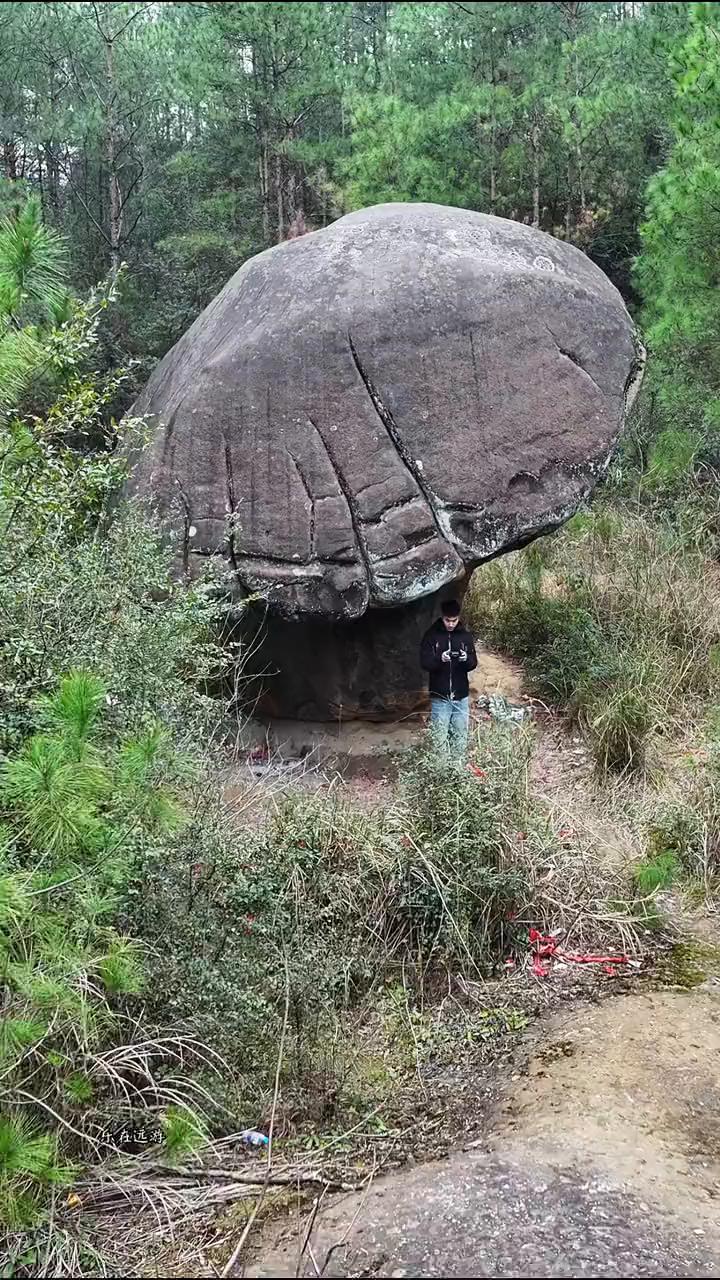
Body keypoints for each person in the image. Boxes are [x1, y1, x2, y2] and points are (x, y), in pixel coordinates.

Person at [420, 598, 478, 755]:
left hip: (461, 696)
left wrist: (466, 659)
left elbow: (473, 663)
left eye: (454, 620)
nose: (451, 624)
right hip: (440, 696)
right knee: (439, 739)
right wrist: (440, 659)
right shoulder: (431, 636)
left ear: (459, 618)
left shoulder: (465, 637)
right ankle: (441, 773)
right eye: (447, 620)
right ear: (442, 617)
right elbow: (424, 663)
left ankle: (458, 771)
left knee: (460, 738)